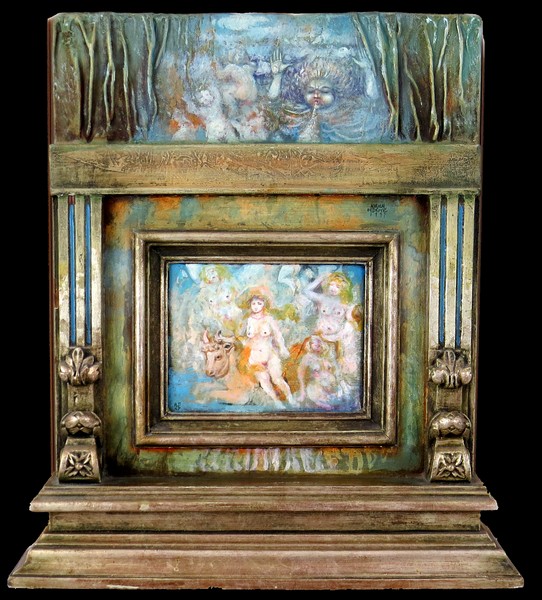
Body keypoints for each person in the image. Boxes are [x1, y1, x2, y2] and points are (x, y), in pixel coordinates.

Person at [238, 287, 293, 408]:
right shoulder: (247, 321)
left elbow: (278, 335)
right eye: (253, 303)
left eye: (259, 303)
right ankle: (277, 402)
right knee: (264, 381)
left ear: (264, 304)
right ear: (250, 305)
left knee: (277, 379)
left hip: (270, 354)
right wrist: (246, 344)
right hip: (254, 357)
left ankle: (290, 397)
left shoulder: (269, 319)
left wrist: (282, 348)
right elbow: (240, 337)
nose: (256, 306)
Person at [297, 335, 339, 409]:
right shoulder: (307, 357)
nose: (318, 346)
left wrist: (329, 371)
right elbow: (301, 374)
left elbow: (330, 370)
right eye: (315, 345)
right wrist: (302, 391)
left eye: (319, 345)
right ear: (310, 345)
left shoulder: (322, 356)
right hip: (315, 386)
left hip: (326, 384)